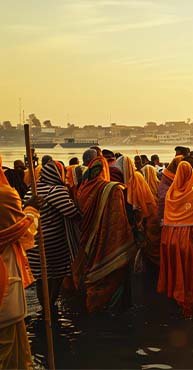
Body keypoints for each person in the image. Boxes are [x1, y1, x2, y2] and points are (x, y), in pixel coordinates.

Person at [73, 149, 136, 313]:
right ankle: (112, 307)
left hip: (88, 238)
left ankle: (93, 301)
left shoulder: (83, 188)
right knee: (112, 271)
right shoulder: (113, 189)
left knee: (92, 268)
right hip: (110, 241)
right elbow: (120, 218)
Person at [23, 161, 81, 315]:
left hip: (34, 243)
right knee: (55, 276)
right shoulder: (56, 190)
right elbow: (72, 212)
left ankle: (45, 309)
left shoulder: (32, 190)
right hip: (53, 244)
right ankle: (50, 308)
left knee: (42, 278)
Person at [0, 156, 39, 369]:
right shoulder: (5, 196)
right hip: (4, 279)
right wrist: (32, 211)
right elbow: (21, 231)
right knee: (8, 351)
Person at [158, 161, 193, 317]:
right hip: (190, 241)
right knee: (192, 274)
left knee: (178, 272)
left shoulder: (170, 194)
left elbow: (166, 220)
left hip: (171, 241)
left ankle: (179, 301)